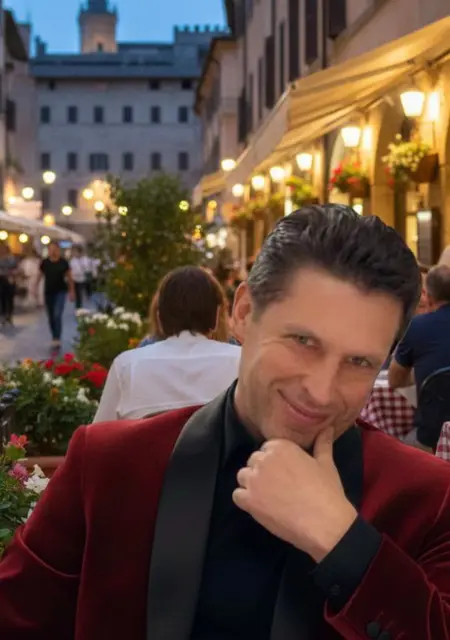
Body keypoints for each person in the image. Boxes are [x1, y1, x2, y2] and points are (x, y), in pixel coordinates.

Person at [2, 205, 450, 640]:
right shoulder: (108, 464)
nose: (320, 390)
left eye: (359, 362)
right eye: (303, 341)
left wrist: (343, 542)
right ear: (243, 313)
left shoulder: (428, 498)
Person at [94, 266, 241, 421]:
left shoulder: (127, 366)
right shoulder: (241, 361)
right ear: (216, 316)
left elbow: (100, 432)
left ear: (159, 316)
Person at [389, 264, 450, 449]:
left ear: (427, 295)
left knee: (398, 447)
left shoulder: (416, 326)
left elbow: (394, 380)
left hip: (430, 438)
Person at [36, 240, 75, 350]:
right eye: (50, 249)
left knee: (57, 314)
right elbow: (39, 276)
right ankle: (54, 335)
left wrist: (72, 292)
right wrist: (34, 288)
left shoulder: (63, 263)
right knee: (51, 316)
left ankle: (57, 337)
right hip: (48, 292)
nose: (52, 251)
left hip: (60, 291)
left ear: (58, 250)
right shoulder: (45, 263)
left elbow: (70, 278)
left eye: (54, 249)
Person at [0, 244, 18, 326]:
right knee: (2, 298)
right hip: (1, 279)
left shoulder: (11, 258)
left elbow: (14, 266)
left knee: (10, 298)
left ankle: (9, 315)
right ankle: (4, 315)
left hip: (10, 279)